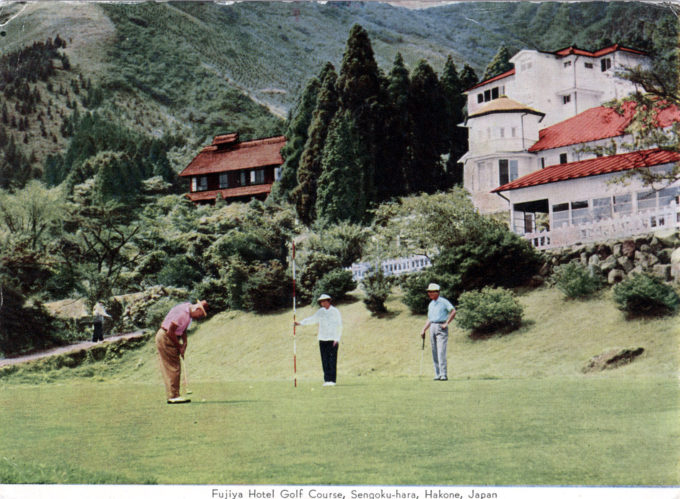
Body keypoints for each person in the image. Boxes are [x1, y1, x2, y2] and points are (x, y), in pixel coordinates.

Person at [156, 299, 208, 404]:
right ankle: (173, 396)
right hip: (166, 336)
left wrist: (184, 344)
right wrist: (179, 346)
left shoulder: (188, 313)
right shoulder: (183, 313)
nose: (199, 317)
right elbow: (170, 331)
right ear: (197, 309)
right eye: (200, 314)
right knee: (173, 367)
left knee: (174, 366)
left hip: (170, 336)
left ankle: (174, 394)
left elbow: (183, 330)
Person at [295, 294, 342, 386]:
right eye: (321, 302)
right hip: (322, 338)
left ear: (328, 301)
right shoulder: (320, 312)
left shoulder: (335, 311)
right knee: (324, 360)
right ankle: (327, 380)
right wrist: (300, 323)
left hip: (332, 339)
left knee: (332, 360)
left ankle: (332, 380)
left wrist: (337, 338)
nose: (322, 303)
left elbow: (339, 325)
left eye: (323, 301)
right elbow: (313, 319)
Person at [420, 283, 456, 381]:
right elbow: (430, 319)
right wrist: (424, 329)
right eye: (429, 292)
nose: (429, 293)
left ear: (437, 292)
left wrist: (447, 323)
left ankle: (443, 374)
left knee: (441, 351)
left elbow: (453, 311)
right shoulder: (431, 304)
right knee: (434, 351)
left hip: (441, 327)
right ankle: (437, 374)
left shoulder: (443, 302)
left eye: (432, 292)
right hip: (432, 327)